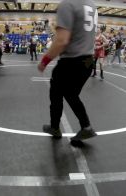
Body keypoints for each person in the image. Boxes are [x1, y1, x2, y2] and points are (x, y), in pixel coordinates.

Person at [37, 0, 98, 143]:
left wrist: (45, 61)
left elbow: (61, 41)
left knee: (56, 94)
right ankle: (86, 127)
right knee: (71, 94)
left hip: (72, 61)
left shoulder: (68, 4)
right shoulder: (92, 5)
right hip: (88, 60)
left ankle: (55, 128)